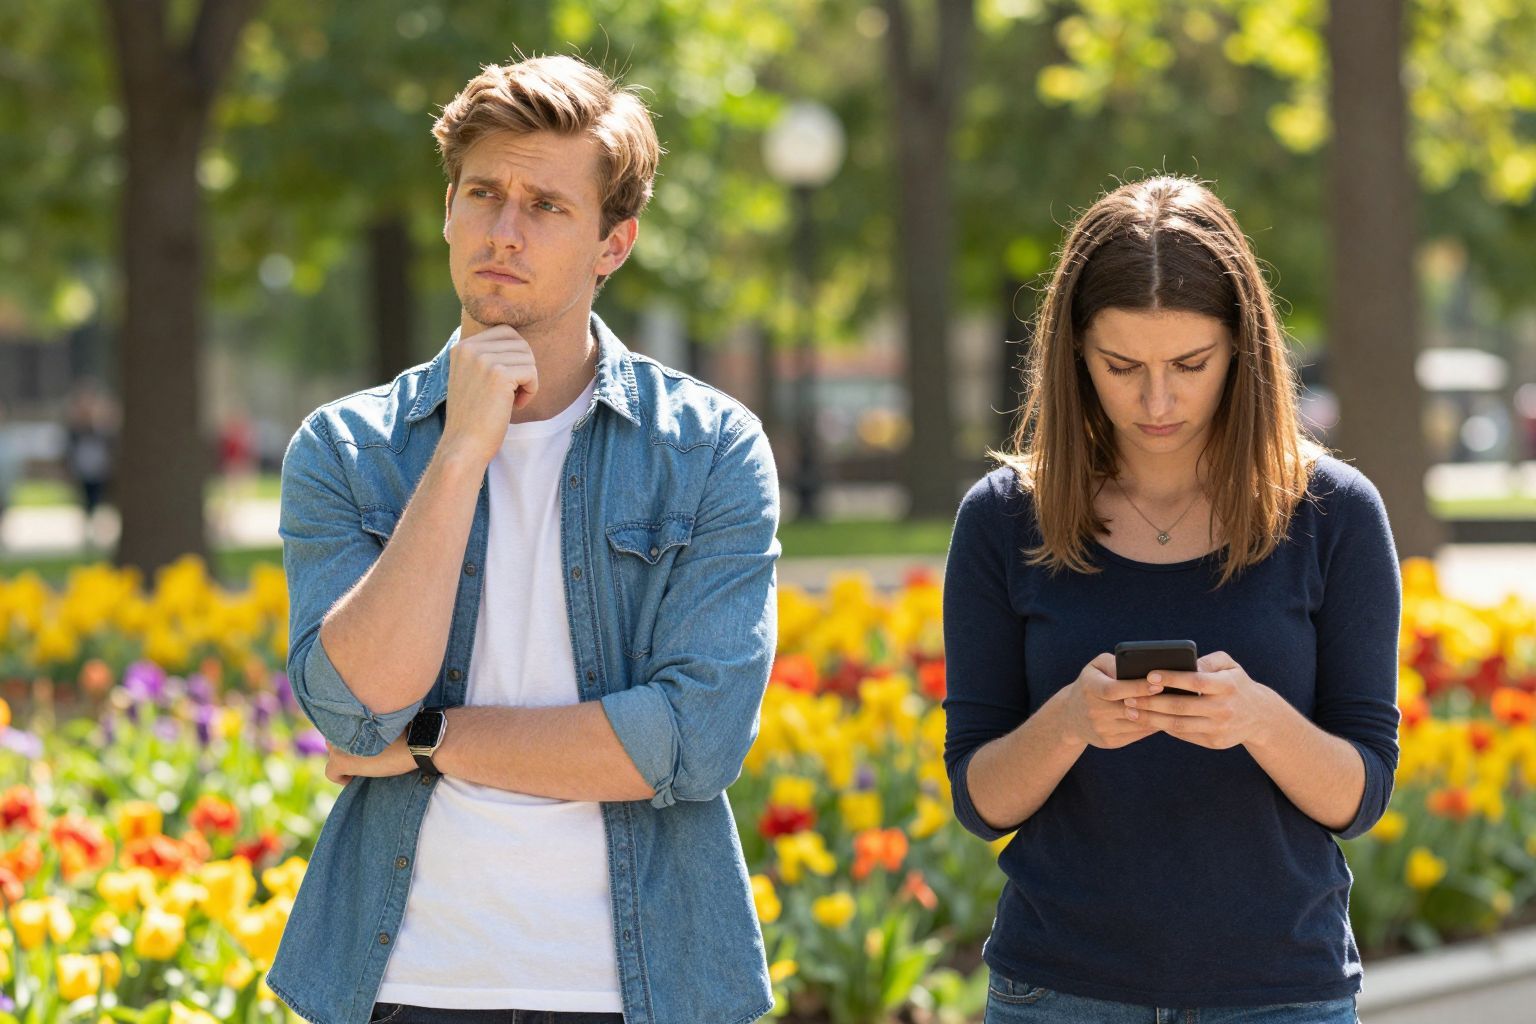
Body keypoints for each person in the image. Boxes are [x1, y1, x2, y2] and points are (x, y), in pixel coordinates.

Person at [268, 55, 781, 1024]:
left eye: (547, 205)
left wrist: (427, 741)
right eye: (484, 194)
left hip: (637, 984)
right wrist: (462, 451)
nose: (504, 230)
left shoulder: (708, 449)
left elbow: (692, 742)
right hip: (405, 980)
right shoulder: (347, 449)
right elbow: (354, 709)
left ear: (612, 243)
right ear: (447, 209)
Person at [943, 176, 1399, 1024]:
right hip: (1058, 991)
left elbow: (1362, 795)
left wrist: (1257, 721)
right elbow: (978, 798)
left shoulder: (1334, 514)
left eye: (1190, 365)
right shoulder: (1003, 520)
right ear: (1074, 352)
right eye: (1122, 366)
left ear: (1243, 349)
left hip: (1279, 993)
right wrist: (1070, 722)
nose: (1157, 401)